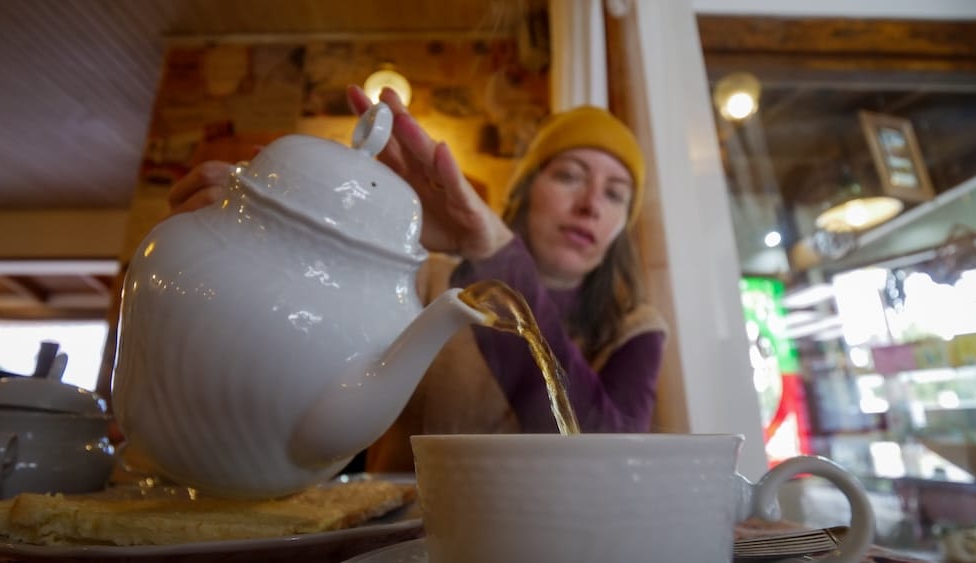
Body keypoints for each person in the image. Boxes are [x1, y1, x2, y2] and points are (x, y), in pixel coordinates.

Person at [166, 85, 667, 472]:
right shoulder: (430, 282)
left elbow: (606, 457)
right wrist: (271, 224)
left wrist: (497, 255)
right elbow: (299, 373)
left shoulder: (636, 326)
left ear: (624, 223)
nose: (590, 205)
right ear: (526, 191)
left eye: (616, 193)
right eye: (570, 175)